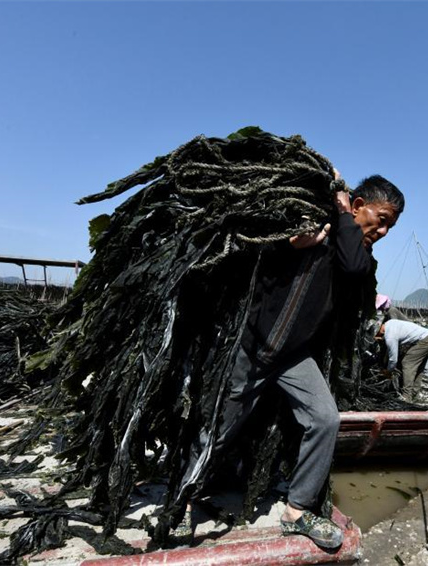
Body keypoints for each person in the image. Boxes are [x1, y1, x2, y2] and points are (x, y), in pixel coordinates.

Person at [173, 174, 404, 549]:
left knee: (325, 419)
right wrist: (289, 244)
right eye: (382, 219)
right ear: (359, 204)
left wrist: (345, 215)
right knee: (219, 430)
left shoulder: (353, 247)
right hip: (252, 349)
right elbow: (247, 251)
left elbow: (354, 268)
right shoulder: (308, 224)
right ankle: (181, 500)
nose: (384, 230)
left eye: (390, 226)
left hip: (294, 358)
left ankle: (297, 511)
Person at [377, 319, 428, 396]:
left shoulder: (390, 337)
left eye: (378, 336)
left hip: (424, 340)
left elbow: (393, 360)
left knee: (407, 363)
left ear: (380, 331)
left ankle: (406, 396)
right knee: (419, 367)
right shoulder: (389, 323)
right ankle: (415, 393)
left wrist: (388, 371)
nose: (380, 338)